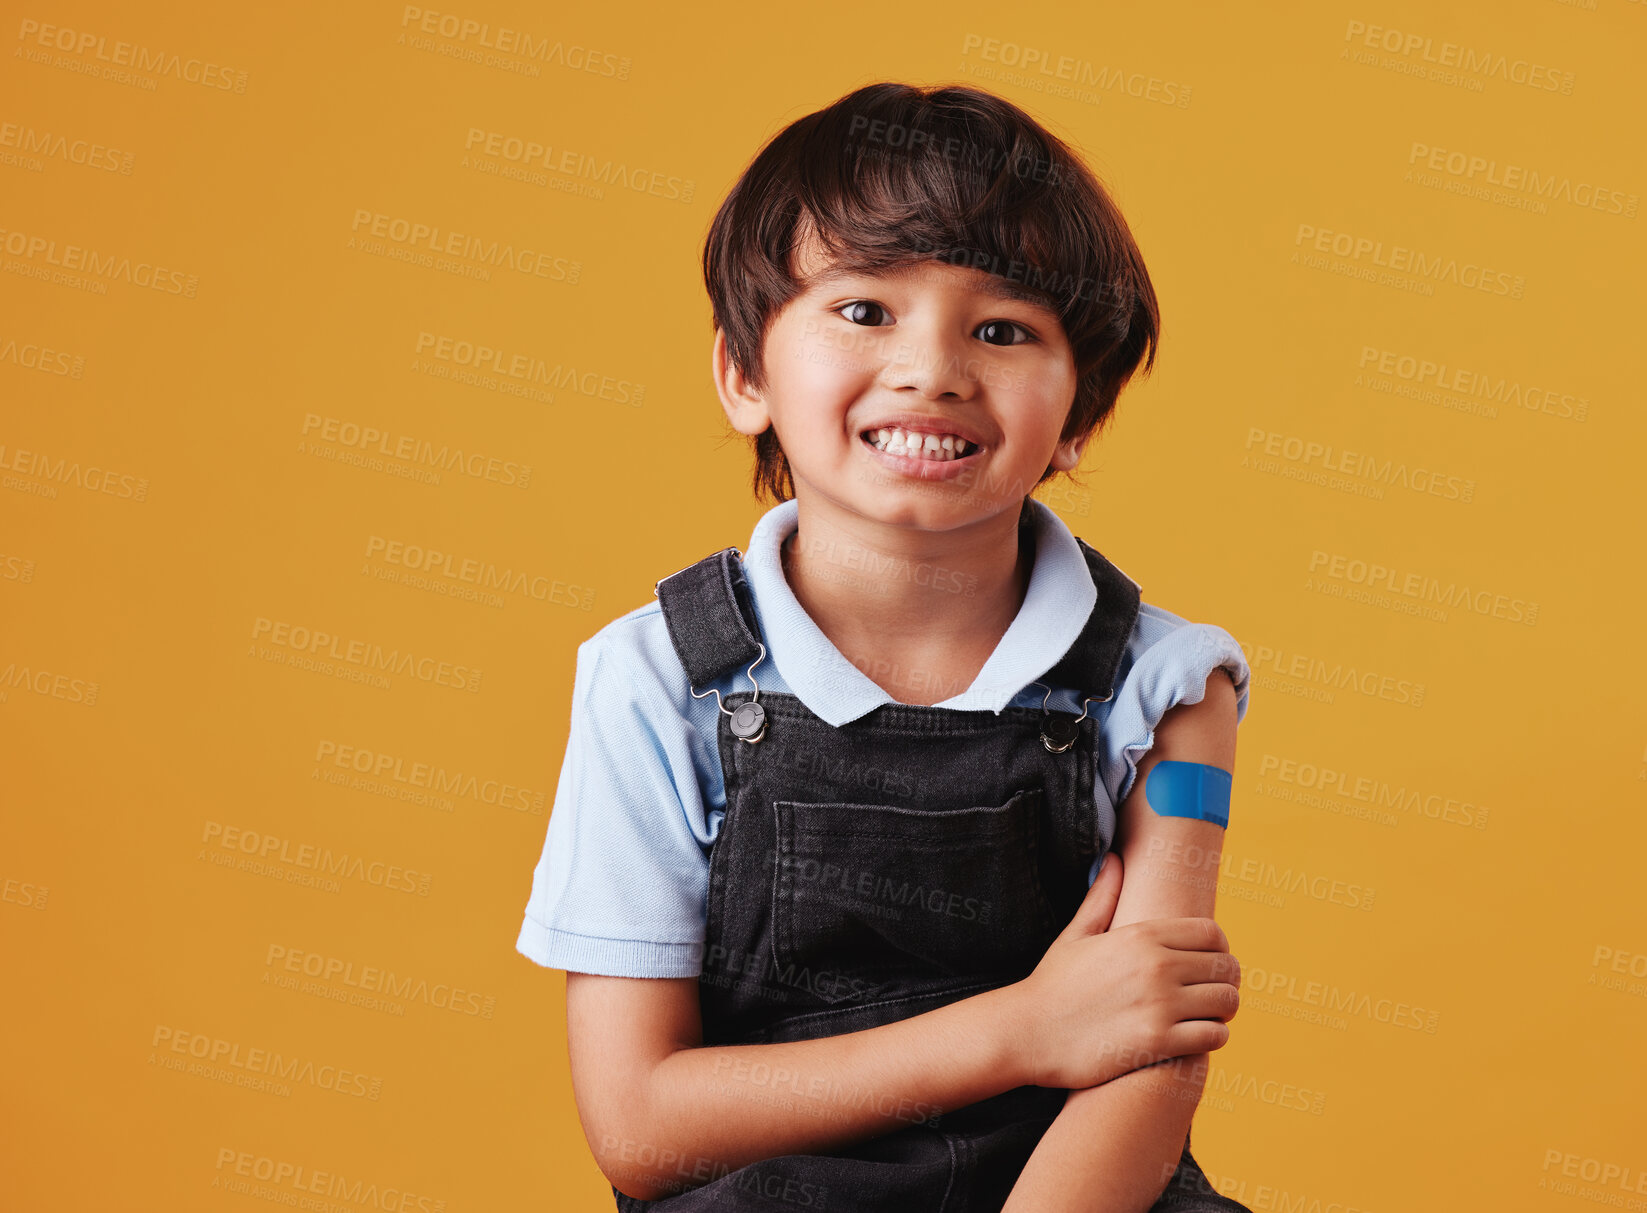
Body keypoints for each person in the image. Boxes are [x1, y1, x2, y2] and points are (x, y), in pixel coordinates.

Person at [516, 80, 1256, 1212]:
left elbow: (1152, 1046)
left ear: (1082, 415)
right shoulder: (658, 679)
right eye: (865, 310)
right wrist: (1022, 1031)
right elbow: (642, 1126)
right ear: (744, 375)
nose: (934, 369)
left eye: (1002, 329)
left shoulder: (1165, 686)